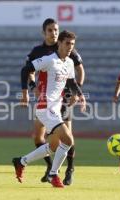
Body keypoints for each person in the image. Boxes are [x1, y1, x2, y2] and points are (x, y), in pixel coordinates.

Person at [13, 30, 86, 188]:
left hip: (57, 106)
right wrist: (27, 91)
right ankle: (54, 174)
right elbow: (26, 70)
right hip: (45, 106)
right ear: (59, 43)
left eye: (72, 44)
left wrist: (80, 95)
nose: (70, 47)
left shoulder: (69, 62)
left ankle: (21, 161)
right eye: (67, 43)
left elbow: (72, 82)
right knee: (68, 140)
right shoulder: (48, 60)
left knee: (53, 146)